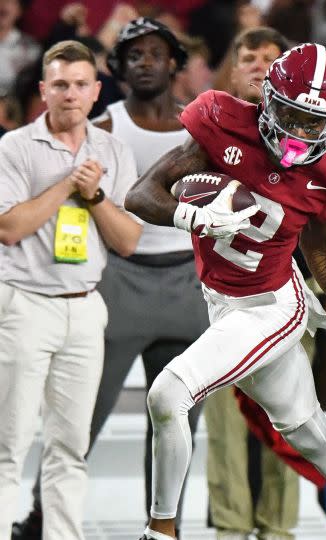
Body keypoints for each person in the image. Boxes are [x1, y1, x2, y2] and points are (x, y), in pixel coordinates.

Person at [123, 43, 326, 540]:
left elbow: (321, 248)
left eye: (314, 122)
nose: (299, 132)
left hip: (271, 304)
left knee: (168, 394)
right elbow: (140, 194)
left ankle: (160, 532)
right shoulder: (222, 122)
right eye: (290, 113)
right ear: (266, 99)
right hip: (222, 299)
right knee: (309, 431)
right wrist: (195, 216)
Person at [8, 17, 203, 540]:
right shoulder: (98, 129)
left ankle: (165, 531)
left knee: (174, 424)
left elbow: (143, 226)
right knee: (59, 427)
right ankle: (36, 521)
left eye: (155, 53)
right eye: (133, 55)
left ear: (174, 64)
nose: (144, 62)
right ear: (114, 69)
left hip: (177, 283)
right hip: (107, 285)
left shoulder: (190, 128)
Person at [0, 39, 142, 540]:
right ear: (43, 90)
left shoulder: (113, 151)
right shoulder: (14, 147)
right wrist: (67, 184)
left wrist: (96, 195)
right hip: (24, 305)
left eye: (81, 84)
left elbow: (128, 240)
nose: (70, 94)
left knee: (69, 445)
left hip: (84, 309)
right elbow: (10, 227)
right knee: (9, 443)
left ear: (96, 90)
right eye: (60, 84)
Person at [204, 26, 303, 540]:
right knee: (223, 422)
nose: (260, 65)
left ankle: (278, 529)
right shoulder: (211, 126)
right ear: (235, 66)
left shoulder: (311, 131)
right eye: (250, 56)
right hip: (223, 295)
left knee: (286, 415)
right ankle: (230, 527)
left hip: (285, 294)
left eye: (272, 58)